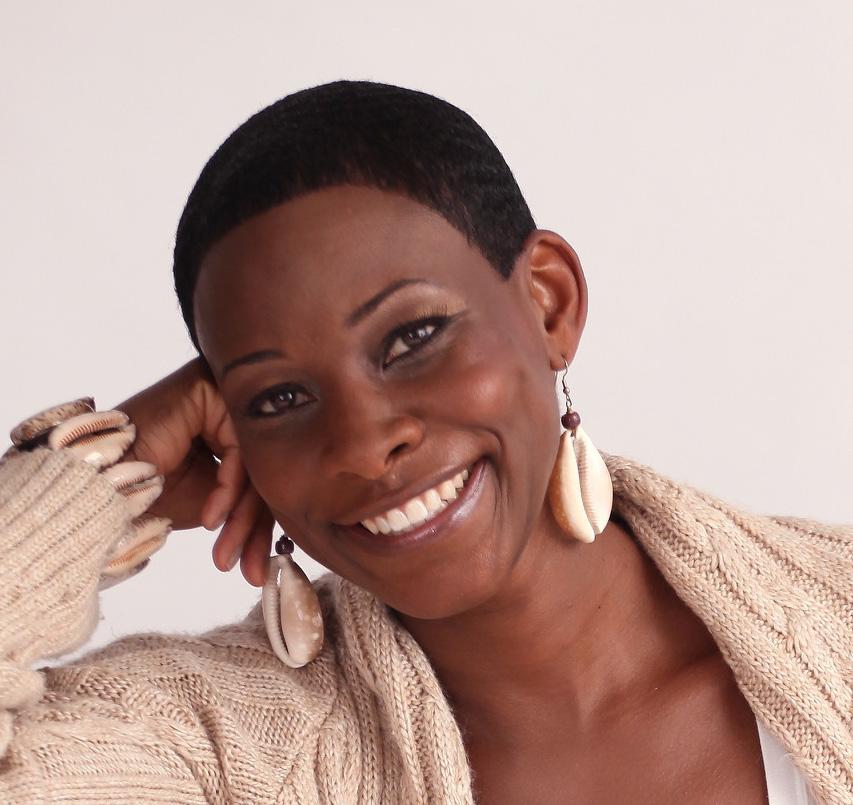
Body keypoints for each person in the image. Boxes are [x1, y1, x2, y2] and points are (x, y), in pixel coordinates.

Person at [0, 80, 849, 805]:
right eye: (279, 397)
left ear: (548, 303)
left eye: (412, 338)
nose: (364, 445)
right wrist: (93, 479)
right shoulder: (211, 752)